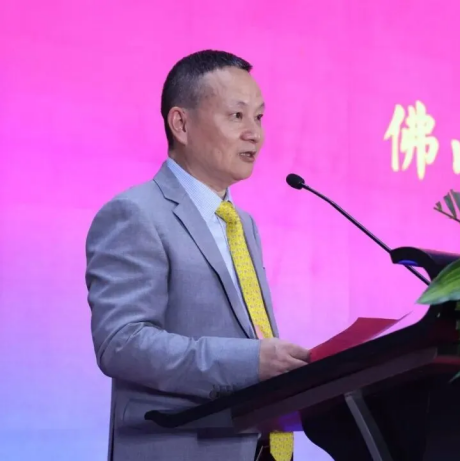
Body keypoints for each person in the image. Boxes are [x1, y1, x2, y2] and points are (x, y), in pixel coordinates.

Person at [85, 50, 310, 461]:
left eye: (259, 117)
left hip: (260, 448)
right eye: (237, 116)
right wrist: (250, 362)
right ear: (181, 124)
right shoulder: (135, 214)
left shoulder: (242, 223)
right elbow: (121, 344)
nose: (254, 134)